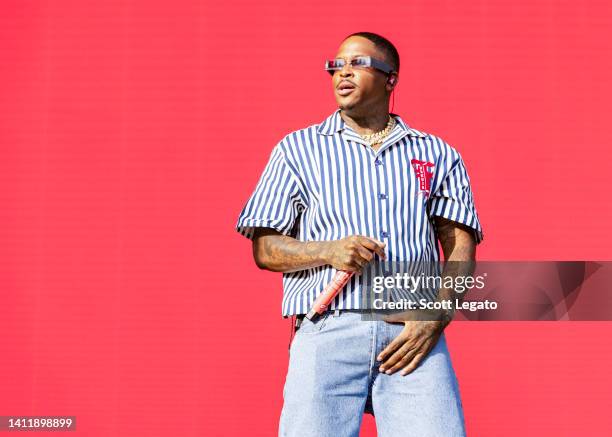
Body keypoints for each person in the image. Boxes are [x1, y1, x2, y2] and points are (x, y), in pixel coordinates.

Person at [235, 31, 484, 437]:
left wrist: (436, 317)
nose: (342, 73)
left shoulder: (437, 153)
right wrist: (328, 250)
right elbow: (265, 249)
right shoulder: (297, 149)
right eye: (336, 65)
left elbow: (460, 243)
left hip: (412, 334)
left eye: (357, 63)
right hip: (327, 330)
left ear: (391, 79)